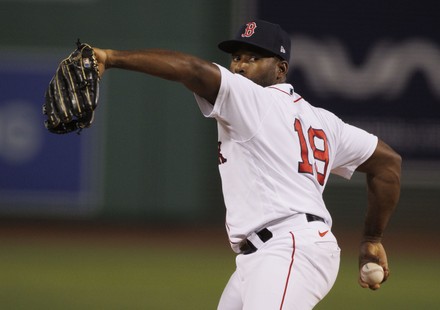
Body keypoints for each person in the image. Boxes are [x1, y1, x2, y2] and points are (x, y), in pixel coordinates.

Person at [93, 20, 401, 309]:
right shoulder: (324, 122)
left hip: (289, 249)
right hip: (263, 256)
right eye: (237, 56)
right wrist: (372, 240)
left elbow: (192, 69)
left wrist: (110, 57)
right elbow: (388, 164)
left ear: (281, 69)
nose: (239, 65)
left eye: (253, 58)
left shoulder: (253, 100)